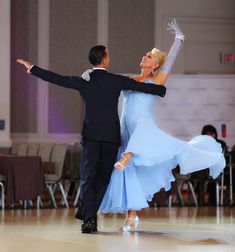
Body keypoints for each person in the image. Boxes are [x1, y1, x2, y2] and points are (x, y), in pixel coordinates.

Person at [16, 46, 166, 233]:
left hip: (91, 137)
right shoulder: (115, 80)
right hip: (111, 138)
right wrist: (162, 90)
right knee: (103, 178)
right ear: (104, 60)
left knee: (88, 179)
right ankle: (89, 214)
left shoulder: (84, 81)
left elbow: (58, 79)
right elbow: (144, 87)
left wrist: (32, 68)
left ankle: (88, 218)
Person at [98, 20, 226, 231]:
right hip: (126, 129)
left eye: (149, 56)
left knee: (138, 138)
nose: (144, 56)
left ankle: (128, 155)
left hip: (142, 125)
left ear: (155, 65)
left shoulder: (157, 81)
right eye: (145, 54)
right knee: (130, 173)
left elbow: (170, 61)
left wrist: (179, 39)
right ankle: (132, 216)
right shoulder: (131, 79)